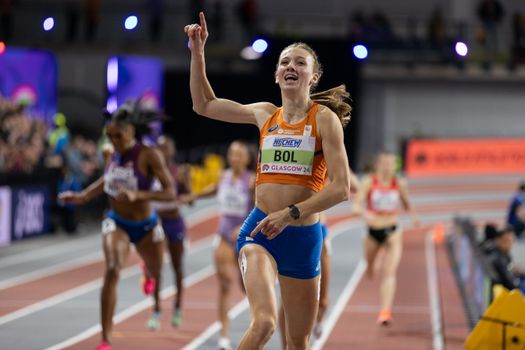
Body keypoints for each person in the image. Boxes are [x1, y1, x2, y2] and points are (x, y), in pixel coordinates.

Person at [185, 12, 352, 349]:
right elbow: (204, 105)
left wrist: (290, 213)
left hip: (302, 238)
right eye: (285, 62)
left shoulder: (325, 121)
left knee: (298, 342)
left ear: (313, 76)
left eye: (300, 63)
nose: (291, 66)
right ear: (277, 75)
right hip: (259, 230)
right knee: (263, 324)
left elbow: (340, 188)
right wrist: (198, 52)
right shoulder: (264, 114)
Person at [58, 100, 175, 350]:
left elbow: (169, 192)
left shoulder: (149, 154)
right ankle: (105, 338)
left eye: (119, 136)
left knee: (157, 271)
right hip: (117, 221)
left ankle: (148, 272)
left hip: (146, 225)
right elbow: (106, 180)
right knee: (112, 269)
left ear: (131, 131)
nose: (114, 141)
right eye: (109, 136)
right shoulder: (111, 153)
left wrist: (139, 195)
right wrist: (83, 196)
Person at [181, 141, 255, 350]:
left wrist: (243, 225)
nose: (234, 158)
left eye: (239, 155)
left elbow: (260, 208)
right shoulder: (224, 176)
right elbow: (213, 189)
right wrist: (193, 195)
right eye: (232, 154)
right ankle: (224, 334)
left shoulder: (251, 181)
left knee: (247, 286)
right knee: (224, 285)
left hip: (245, 238)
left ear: (247, 158)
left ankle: (255, 326)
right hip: (223, 236)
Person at [352, 151, 418, 326]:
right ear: (377, 165)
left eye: (392, 163)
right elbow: (356, 206)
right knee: (371, 269)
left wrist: (413, 216)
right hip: (373, 232)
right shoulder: (369, 182)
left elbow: (406, 202)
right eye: (385, 163)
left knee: (389, 273)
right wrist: (366, 214)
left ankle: (385, 311)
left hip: (393, 230)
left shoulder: (399, 183)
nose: (389, 167)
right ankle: (372, 265)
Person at [150, 135, 192, 328]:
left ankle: (177, 307)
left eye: (166, 148)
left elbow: (190, 201)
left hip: (174, 222)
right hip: (156, 223)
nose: (163, 152)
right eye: (160, 148)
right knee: (156, 267)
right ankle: (156, 309)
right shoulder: (150, 173)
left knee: (176, 266)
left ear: (172, 151)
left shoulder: (177, 172)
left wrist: (187, 182)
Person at [486, 225, 525, 293]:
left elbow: (509, 267)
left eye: (511, 241)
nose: (510, 245)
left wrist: (514, 270)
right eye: (507, 241)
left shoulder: (504, 253)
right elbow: (510, 283)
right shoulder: (496, 258)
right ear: (498, 240)